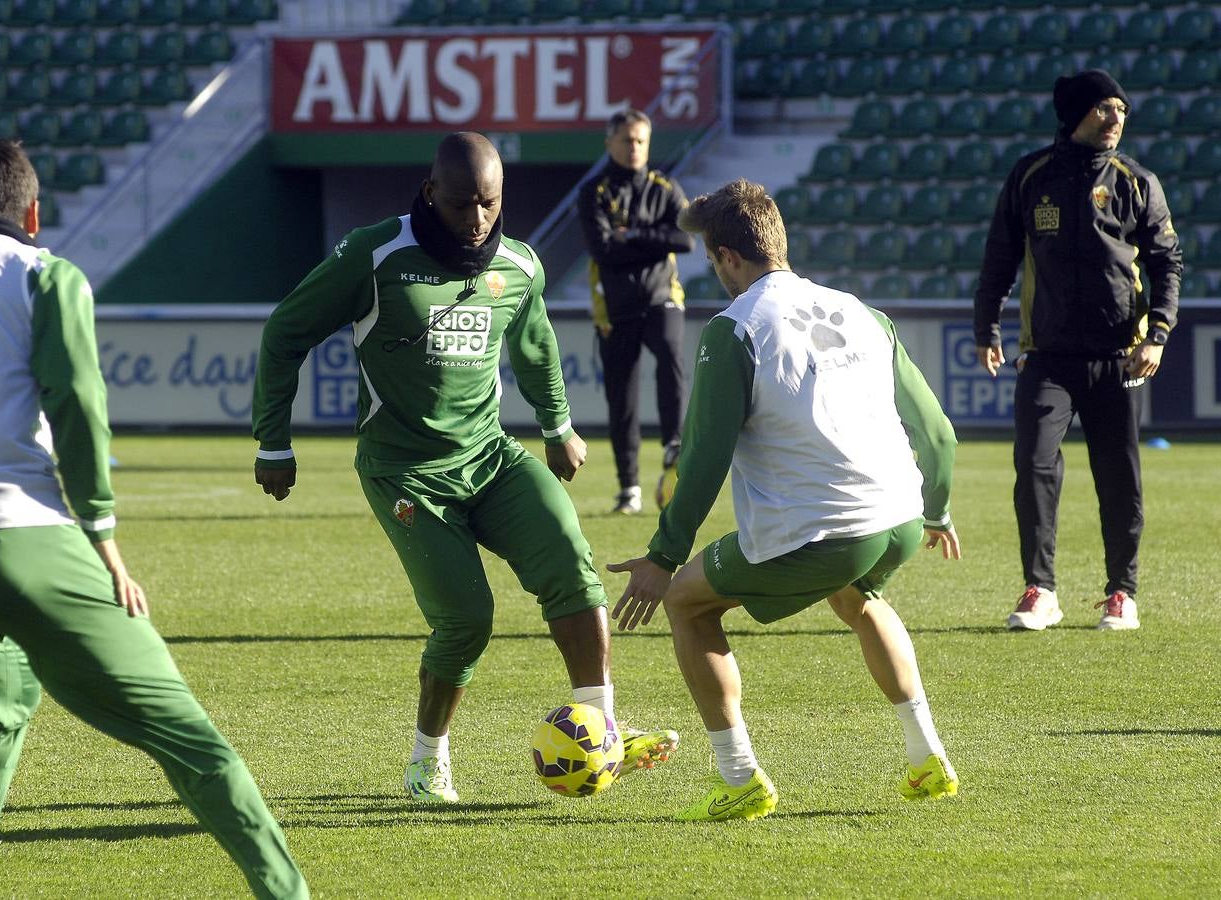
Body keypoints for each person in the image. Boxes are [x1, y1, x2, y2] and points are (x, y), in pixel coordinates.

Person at [0, 139, 308, 900]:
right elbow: (77, 401)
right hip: (18, 536)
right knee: (190, 740)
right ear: (33, 214)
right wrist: (103, 537)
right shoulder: (45, 274)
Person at [252, 132, 678, 804]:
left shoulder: (518, 265)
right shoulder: (375, 253)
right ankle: (427, 760)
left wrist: (557, 426)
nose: (477, 219)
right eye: (461, 205)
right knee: (466, 619)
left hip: (489, 457)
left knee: (572, 563)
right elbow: (285, 332)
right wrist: (273, 442)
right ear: (429, 193)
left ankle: (603, 728)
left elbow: (535, 346)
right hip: (405, 472)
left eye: (488, 203)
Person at [609, 179, 963, 822]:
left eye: (713, 260)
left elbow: (704, 459)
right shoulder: (862, 312)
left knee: (689, 605)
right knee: (860, 598)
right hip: (901, 519)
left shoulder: (734, 329)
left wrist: (663, 556)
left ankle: (738, 775)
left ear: (725, 257)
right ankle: (927, 756)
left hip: (826, 530)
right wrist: (935, 510)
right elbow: (937, 434)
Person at [975, 69, 1182, 633]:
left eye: (1122, 110)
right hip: (1047, 358)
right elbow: (1000, 257)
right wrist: (986, 328)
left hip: (1119, 356)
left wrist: (1158, 334)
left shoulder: (1136, 182)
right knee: (1034, 465)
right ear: (1075, 115)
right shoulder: (1031, 176)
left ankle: (1122, 592)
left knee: (1119, 477)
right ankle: (1040, 590)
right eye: (1105, 108)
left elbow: (1166, 263)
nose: (1116, 119)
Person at [577, 108, 695, 515]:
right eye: (627, 140)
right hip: (614, 308)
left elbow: (686, 240)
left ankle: (673, 444)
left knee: (670, 353)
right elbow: (602, 249)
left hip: (663, 296)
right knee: (621, 400)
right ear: (609, 142)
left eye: (641, 140)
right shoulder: (593, 191)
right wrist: (653, 243)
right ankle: (629, 489)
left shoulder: (665, 187)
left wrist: (635, 236)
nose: (634, 148)